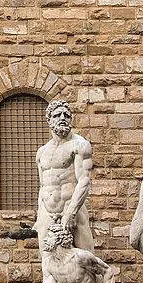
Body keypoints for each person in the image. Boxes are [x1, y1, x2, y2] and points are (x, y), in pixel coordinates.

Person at [34, 100, 95, 252]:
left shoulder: (80, 145)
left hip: (72, 209)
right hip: (47, 213)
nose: (62, 118)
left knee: (88, 261)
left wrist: (71, 212)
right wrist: (39, 216)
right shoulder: (42, 152)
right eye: (57, 115)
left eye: (66, 115)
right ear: (49, 120)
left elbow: (84, 181)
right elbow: (43, 187)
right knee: (48, 263)